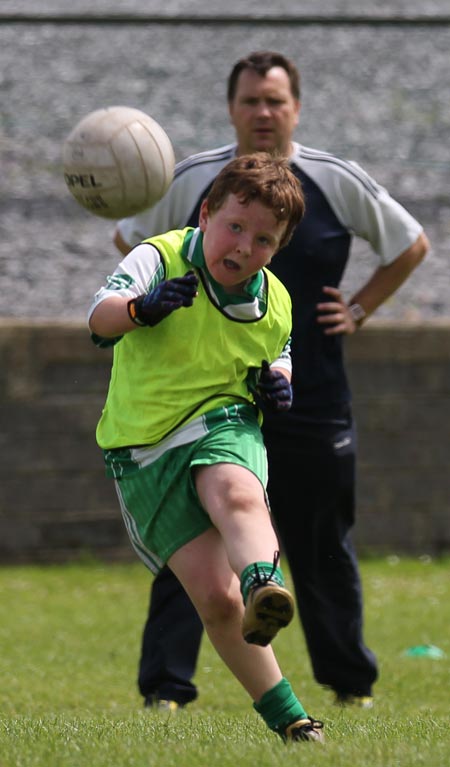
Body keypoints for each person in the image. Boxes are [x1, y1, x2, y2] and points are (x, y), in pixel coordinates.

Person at [113, 51, 430, 711]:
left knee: (320, 542)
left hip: (307, 394)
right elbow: (134, 243)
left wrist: (360, 307)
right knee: (196, 545)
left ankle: (350, 684)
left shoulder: (334, 179)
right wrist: (166, 314)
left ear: (296, 108)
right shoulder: (197, 180)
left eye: (275, 100)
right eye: (251, 100)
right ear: (232, 108)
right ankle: (167, 689)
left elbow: (410, 242)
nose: (263, 112)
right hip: (208, 402)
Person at [89, 153, 325, 743]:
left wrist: (279, 388)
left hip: (222, 421)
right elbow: (98, 318)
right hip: (143, 448)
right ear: (206, 213)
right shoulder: (159, 255)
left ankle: (263, 582)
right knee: (215, 603)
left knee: (235, 491)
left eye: (264, 239)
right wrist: (142, 310)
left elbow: (281, 360)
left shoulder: (276, 300)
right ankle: (289, 719)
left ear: (280, 247)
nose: (245, 247)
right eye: (236, 227)